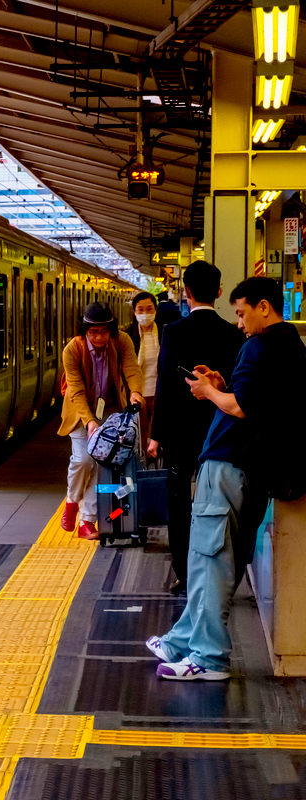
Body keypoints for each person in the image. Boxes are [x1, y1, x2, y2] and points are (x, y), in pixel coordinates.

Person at [149, 277, 306, 680]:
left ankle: (208, 657)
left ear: (264, 307)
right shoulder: (292, 345)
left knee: (208, 560)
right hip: (255, 469)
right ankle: (182, 639)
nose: (239, 323)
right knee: (220, 560)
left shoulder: (258, 346)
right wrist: (222, 385)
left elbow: (241, 407)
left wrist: (208, 392)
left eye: (242, 313)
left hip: (227, 465)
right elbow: (259, 400)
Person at [146, 262, 244, 595]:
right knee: (219, 504)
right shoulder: (233, 333)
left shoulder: (173, 331)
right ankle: (216, 572)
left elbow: (165, 385)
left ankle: (185, 575)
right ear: (219, 291)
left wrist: (156, 434)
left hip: (180, 432)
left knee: (179, 503)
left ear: (186, 292)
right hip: (221, 431)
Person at [59, 302, 144, 540]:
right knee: (83, 460)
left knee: (103, 463)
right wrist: (89, 421)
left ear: (112, 330)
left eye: (104, 331)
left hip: (111, 411)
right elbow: (76, 390)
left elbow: (132, 368)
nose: (99, 337)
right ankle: (72, 501)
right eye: (93, 332)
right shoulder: (72, 349)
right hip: (80, 412)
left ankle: (87, 521)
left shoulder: (122, 341)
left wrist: (136, 392)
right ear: (84, 331)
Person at [125, 291, 162, 453]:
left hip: (160, 392)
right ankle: (141, 464)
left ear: (155, 310)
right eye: (140, 309)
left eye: (149, 309)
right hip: (138, 394)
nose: (145, 314)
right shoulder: (128, 335)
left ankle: (156, 464)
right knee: (139, 436)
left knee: (158, 436)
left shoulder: (165, 333)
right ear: (134, 312)